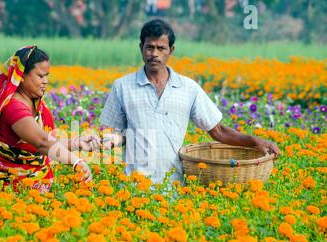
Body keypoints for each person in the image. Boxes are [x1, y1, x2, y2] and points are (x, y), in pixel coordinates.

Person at [100, 19, 280, 186]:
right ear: (141, 48)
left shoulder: (188, 88)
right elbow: (111, 133)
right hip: (133, 187)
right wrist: (104, 142)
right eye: (149, 47)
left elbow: (217, 131)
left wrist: (255, 141)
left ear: (171, 50)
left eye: (161, 48)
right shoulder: (123, 86)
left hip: (174, 186)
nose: (154, 54)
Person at [0, 46, 100, 196]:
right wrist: (76, 162)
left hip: (30, 187)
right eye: (40, 76)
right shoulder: (13, 108)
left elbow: (42, 143)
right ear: (21, 76)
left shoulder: (34, 103)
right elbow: (41, 142)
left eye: (47, 76)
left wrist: (76, 143)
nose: (46, 81)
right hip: (4, 191)